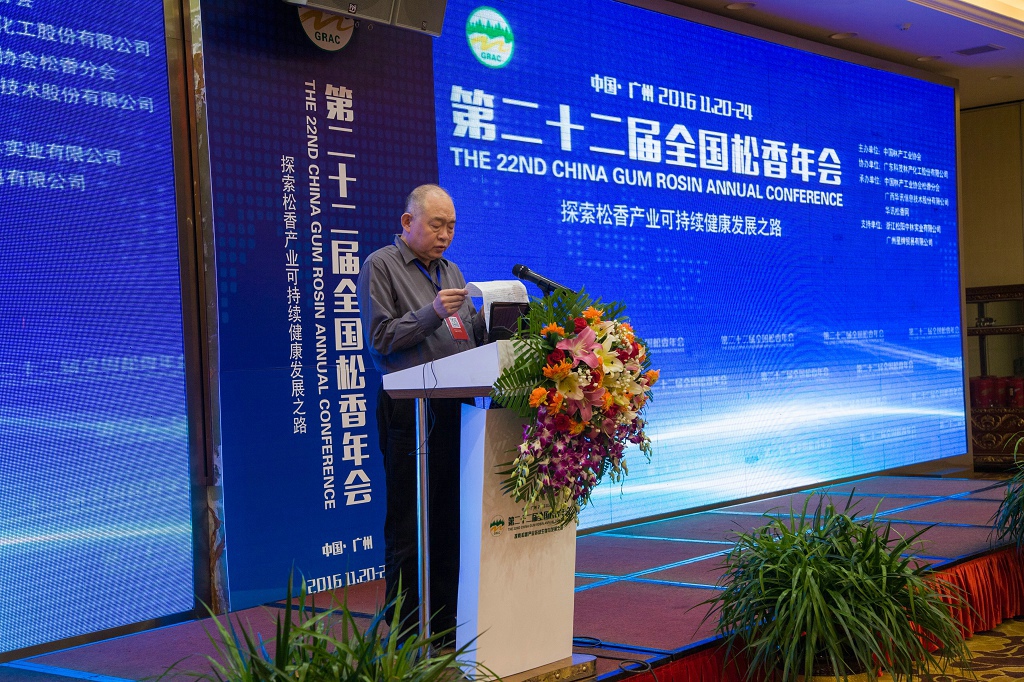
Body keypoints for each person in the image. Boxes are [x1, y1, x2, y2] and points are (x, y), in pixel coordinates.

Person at [356, 184, 485, 640]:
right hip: (409, 409)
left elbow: (467, 336)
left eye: (451, 226)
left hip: (456, 405)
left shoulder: (453, 272)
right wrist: (431, 312)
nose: (445, 235)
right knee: (410, 523)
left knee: (450, 518)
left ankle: (446, 626)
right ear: (408, 222)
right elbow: (381, 339)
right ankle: (407, 632)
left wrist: (494, 322)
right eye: (436, 225)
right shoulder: (381, 265)